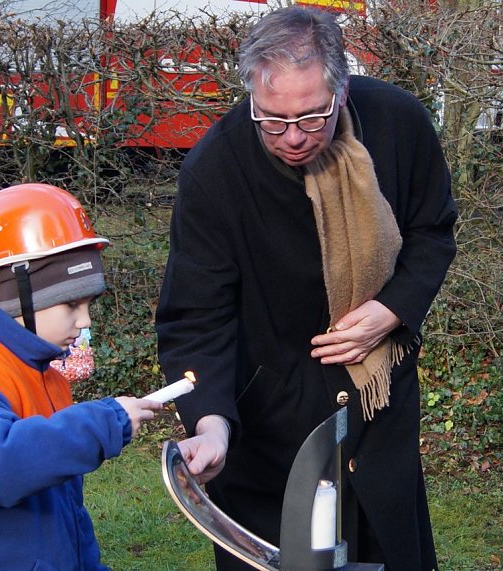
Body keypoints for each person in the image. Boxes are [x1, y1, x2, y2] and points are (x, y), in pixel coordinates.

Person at [155, 6, 457, 570]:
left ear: (342, 93)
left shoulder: (398, 122)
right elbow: (196, 317)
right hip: (269, 431)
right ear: (251, 97)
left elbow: (432, 232)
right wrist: (211, 422)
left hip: (377, 413)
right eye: (271, 120)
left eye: (313, 117)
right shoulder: (215, 170)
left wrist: (391, 311)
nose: (292, 137)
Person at [0, 183, 163, 570]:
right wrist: (100, 424)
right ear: (21, 295)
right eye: (71, 304)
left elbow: (60, 504)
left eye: (89, 303)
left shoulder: (41, 372)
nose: (85, 321)